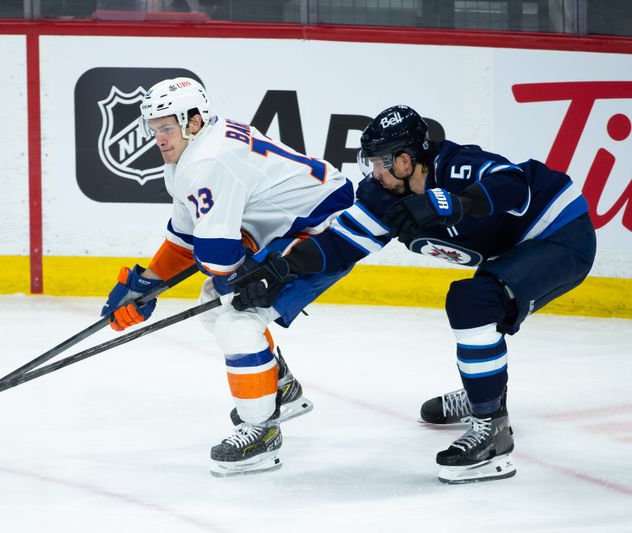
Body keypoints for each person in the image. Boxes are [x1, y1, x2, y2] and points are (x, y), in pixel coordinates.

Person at [231, 105, 597, 484]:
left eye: (378, 163)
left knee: (473, 303)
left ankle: (493, 428)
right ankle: (480, 394)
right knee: (477, 302)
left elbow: (514, 183)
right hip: (512, 251)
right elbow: (340, 244)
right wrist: (281, 267)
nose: (372, 173)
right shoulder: (382, 196)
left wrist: (458, 203)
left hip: (561, 234)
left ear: (405, 161)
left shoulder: (457, 165)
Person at [100, 77, 354, 477]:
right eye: (154, 129)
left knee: (237, 320)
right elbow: (186, 240)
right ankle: (281, 389)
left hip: (328, 229)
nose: (159, 139)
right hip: (291, 223)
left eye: (166, 128)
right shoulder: (190, 156)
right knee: (212, 304)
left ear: (194, 121)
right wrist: (144, 284)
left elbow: (218, 258)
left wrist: (228, 276)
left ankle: (262, 432)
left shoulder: (207, 161)